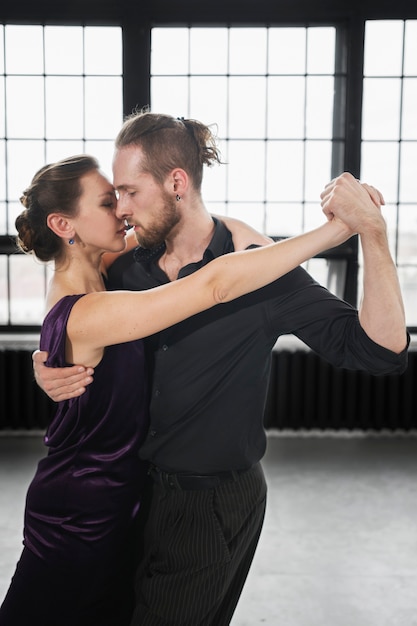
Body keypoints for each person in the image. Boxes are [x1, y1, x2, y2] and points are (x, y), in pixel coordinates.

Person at [32, 112, 409, 626]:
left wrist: (372, 234)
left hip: (209, 502)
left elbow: (380, 350)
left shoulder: (261, 270)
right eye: (112, 196)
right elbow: (72, 315)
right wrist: (49, 366)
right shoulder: (124, 266)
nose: (121, 210)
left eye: (129, 192)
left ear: (177, 183)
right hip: (131, 496)